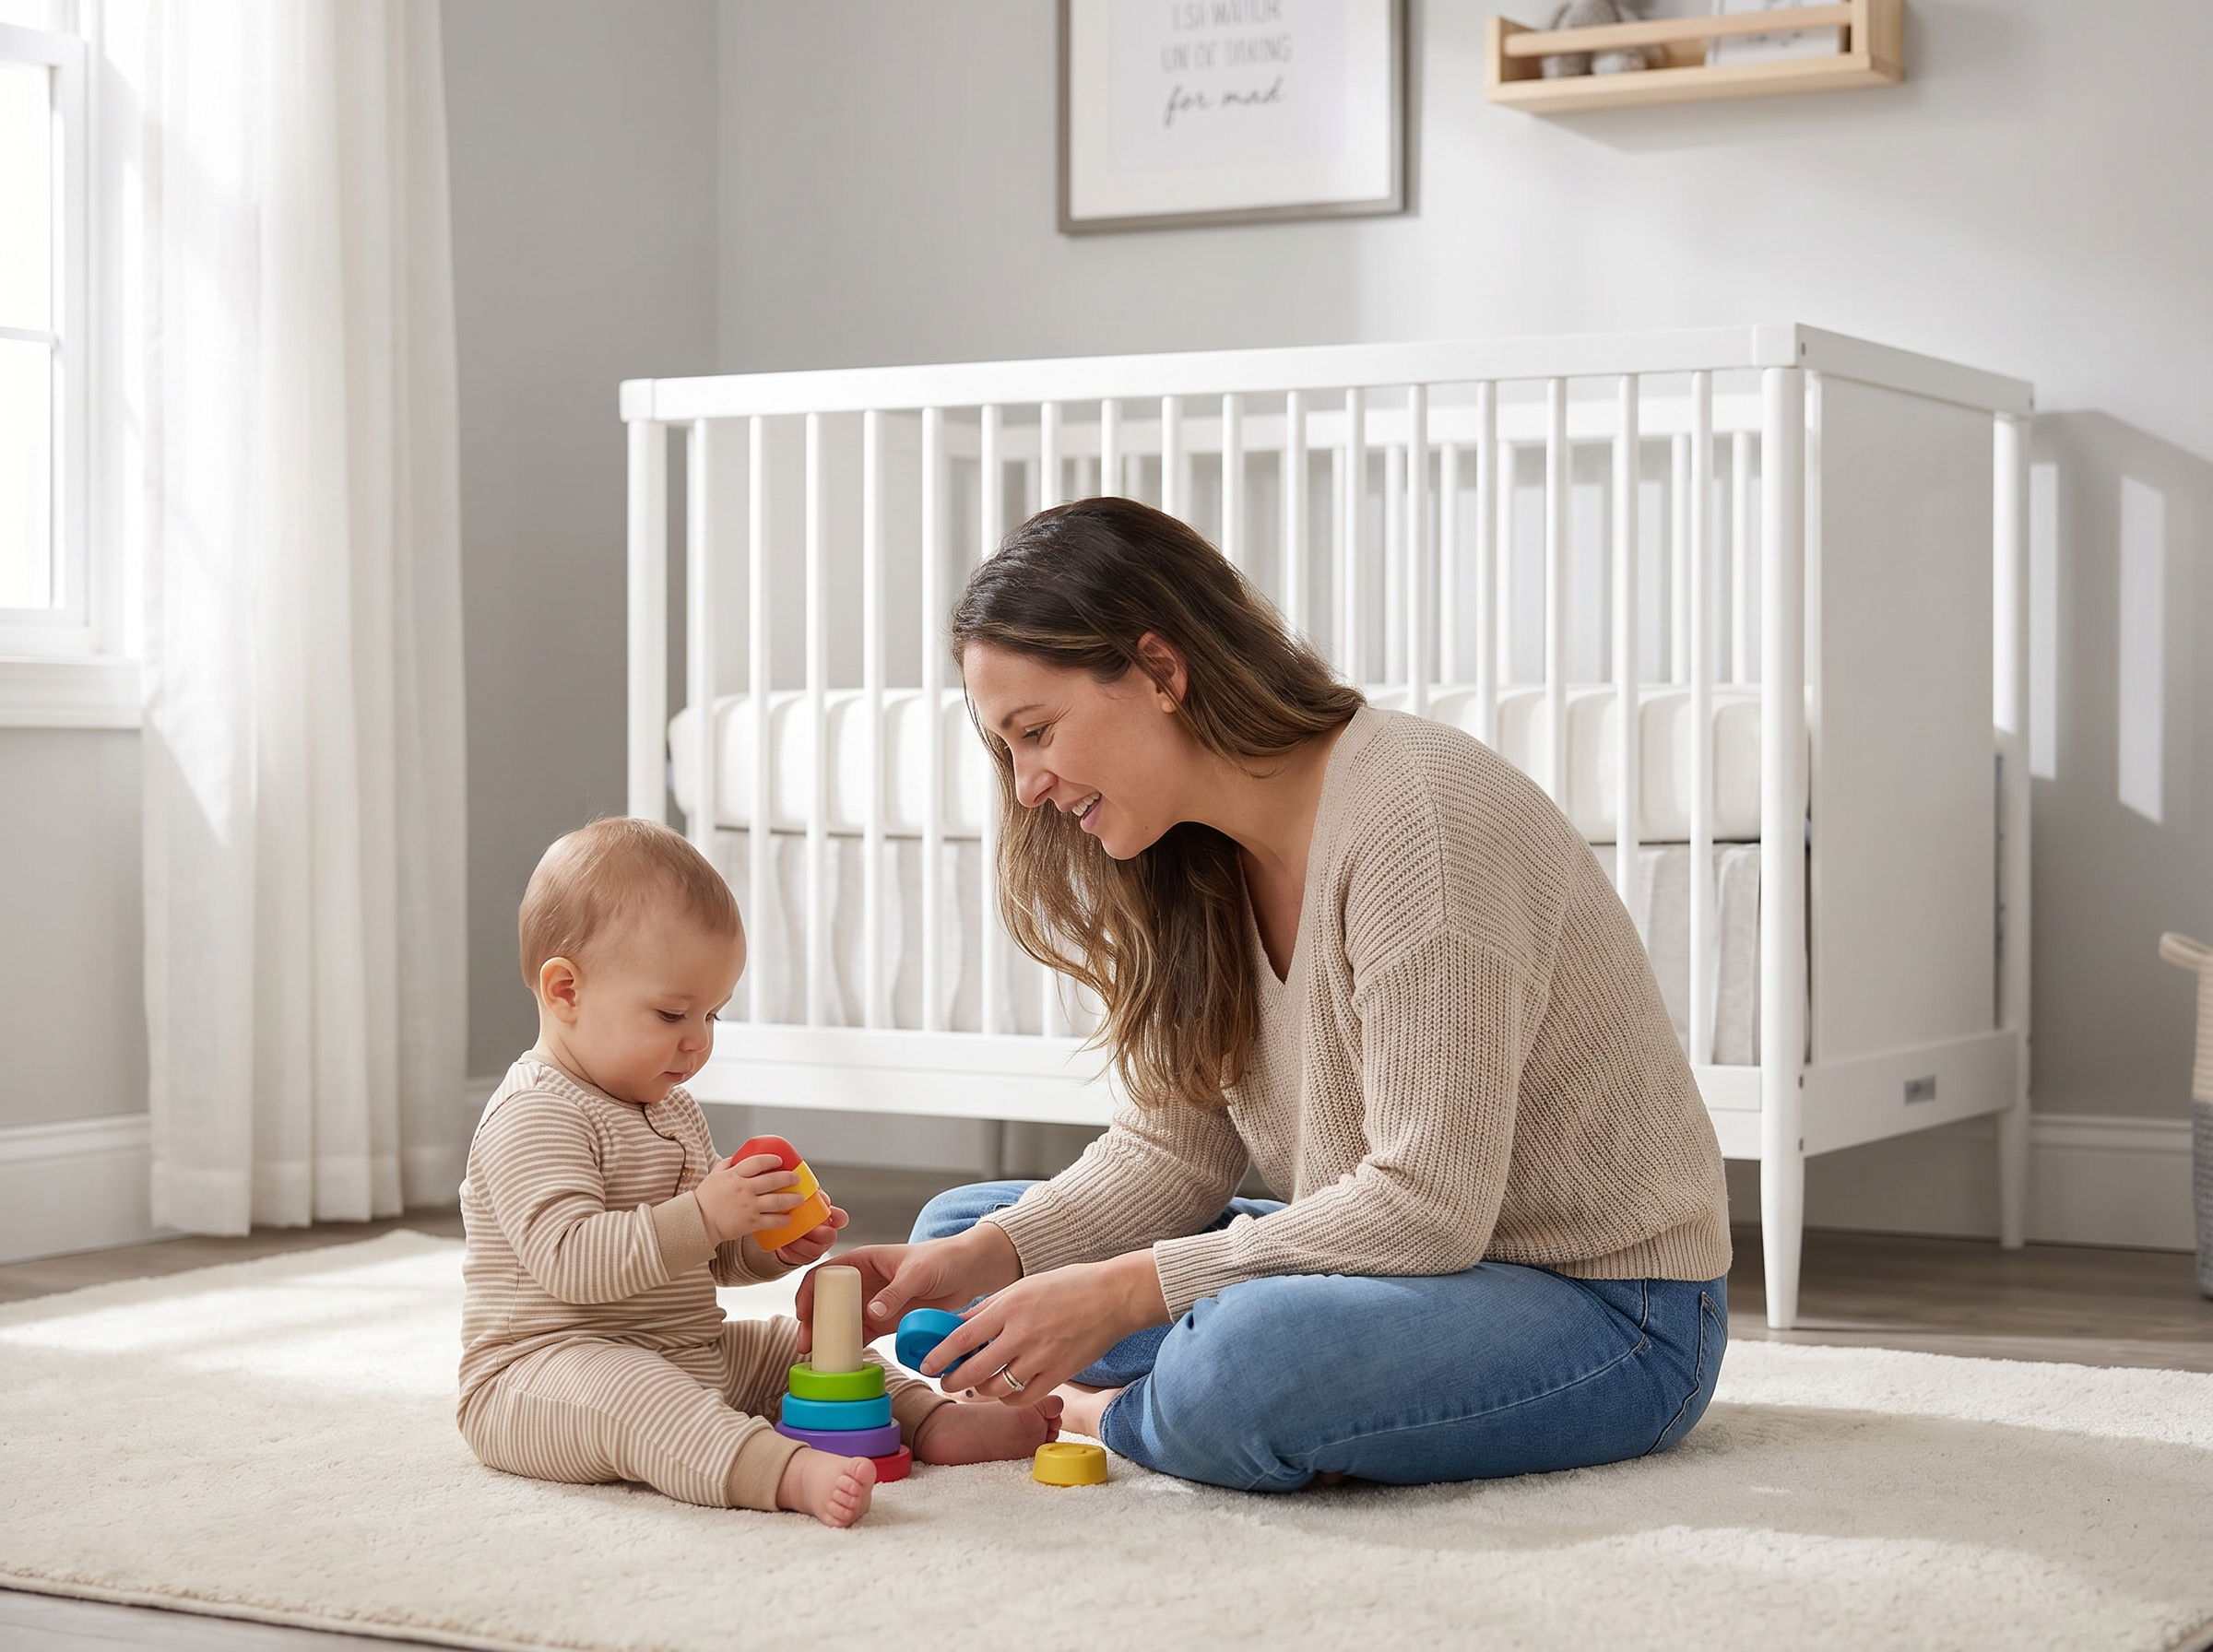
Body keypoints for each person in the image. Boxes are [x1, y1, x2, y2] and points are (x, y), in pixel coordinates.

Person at [800, 496, 1732, 1493]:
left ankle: (1127, 1410)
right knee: (962, 1233)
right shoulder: (1196, 856)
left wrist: (1126, 1293)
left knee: (1249, 1359)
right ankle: (1277, 1400)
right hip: (1407, 1273)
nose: (1027, 784)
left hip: (1609, 1308)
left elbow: (1429, 1207)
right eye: (1008, 749)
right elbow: (1177, 1147)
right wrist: (995, 1252)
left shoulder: (1418, 818)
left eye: (1037, 730)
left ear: (1161, 670)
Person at [456, 818, 1060, 1528]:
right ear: (565, 992)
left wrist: (761, 1244)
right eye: (674, 1012)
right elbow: (572, 1264)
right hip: (542, 1375)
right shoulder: (536, 1116)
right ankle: (782, 1472)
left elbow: (701, 1260)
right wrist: (707, 1214)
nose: (699, 1039)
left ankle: (926, 1419)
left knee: (792, 1348)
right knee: (638, 1397)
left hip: (686, 1350)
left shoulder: (671, 1108)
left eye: (713, 1013)